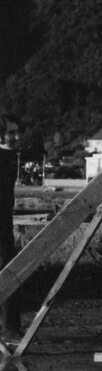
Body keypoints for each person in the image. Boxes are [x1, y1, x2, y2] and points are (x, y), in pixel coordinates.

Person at [0, 114, 21, 341]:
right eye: (12, 133)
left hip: (5, 225)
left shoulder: (9, 157)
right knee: (7, 272)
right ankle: (9, 329)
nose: (17, 136)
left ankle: (10, 327)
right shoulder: (4, 158)